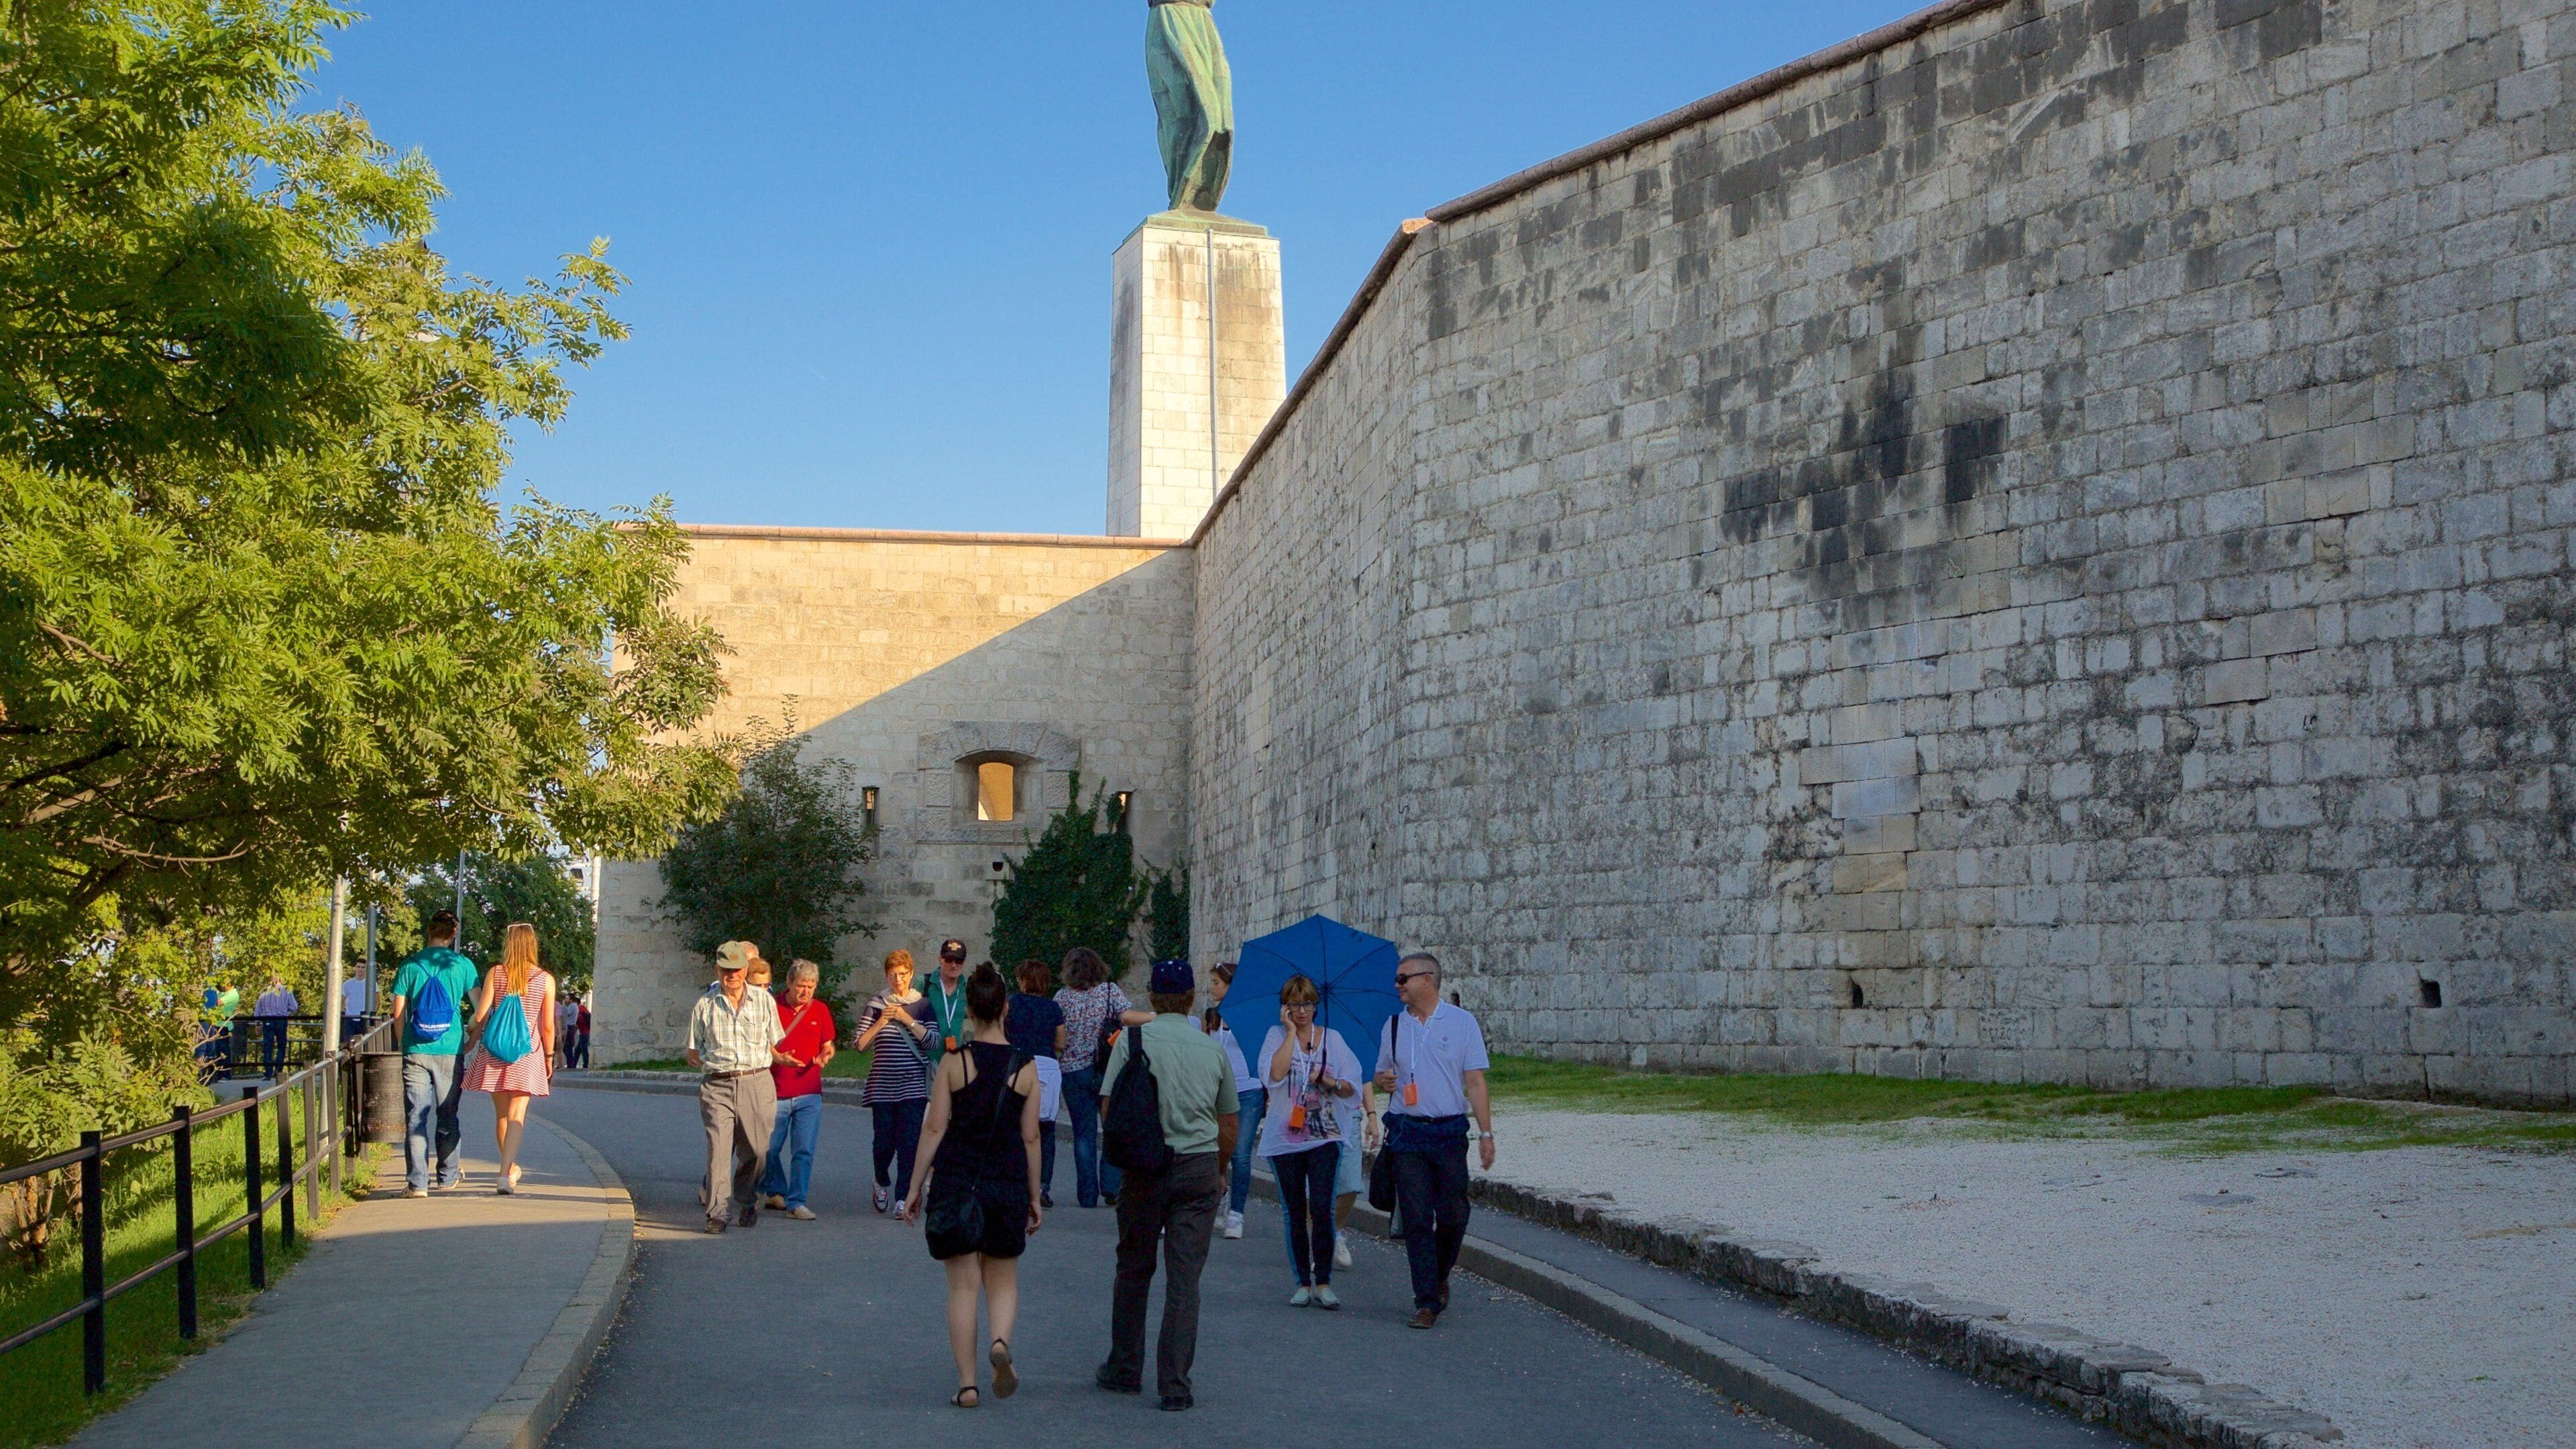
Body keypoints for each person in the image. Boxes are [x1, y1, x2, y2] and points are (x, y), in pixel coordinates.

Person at [1095, 959, 1237, 1412]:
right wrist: (1218, 1166)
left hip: (1145, 1166)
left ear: (1153, 997)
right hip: (1197, 1165)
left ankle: (1125, 1366)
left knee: (1134, 1267)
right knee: (1185, 1278)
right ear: (1191, 998)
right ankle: (1175, 1382)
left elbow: (1108, 1105)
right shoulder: (1211, 1048)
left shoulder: (1134, 1040)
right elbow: (1229, 1118)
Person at [900, 965, 1044, 1409]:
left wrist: (914, 1186)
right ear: (1005, 1008)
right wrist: (1035, 1195)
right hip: (1006, 1184)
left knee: (962, 1287)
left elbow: (934, 1128)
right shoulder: (1026, 1067)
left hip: (958, 1182)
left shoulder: (954, 1062)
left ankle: (967, 1384)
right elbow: (1031, 1136)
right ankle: (1000, 1340)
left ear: (972, 1011)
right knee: (1002, 1280)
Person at [1371, 951, 1494, 1328]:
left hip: (1449, 1130)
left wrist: (1487, 1134)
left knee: (1455, 1215)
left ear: (1427, 979)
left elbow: (1475, 1082)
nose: (1397, 985)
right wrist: (1384, 1081)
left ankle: (1440, 1274)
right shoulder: (1393, 1026)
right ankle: (1426, 1301)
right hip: (1407, 1132)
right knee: (1418, 1219)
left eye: (1402, 978)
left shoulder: (1461, 1023)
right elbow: (1380, 1074)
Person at [1254, 973, 1361, 1307]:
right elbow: (1274, 1075)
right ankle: (1302, 1280)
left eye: (1307, 1004)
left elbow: (1350, 1087)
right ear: (1284, 1008)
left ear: (1317, 1006)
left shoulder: (1333, 1039)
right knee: (1295, 1211)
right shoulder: (1276, 1036)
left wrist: (1327, 1080)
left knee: (1322, 1207)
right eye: (1294, 1005)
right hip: (1286, 1137)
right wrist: (1289, 1034)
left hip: (1324, 1136)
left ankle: (1324, 1280)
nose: (1302, 1012)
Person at [686, 939, 784, 1233]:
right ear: (717, 970)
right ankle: (717, 1213)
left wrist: (785, 1059)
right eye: (725, 970)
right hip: (718, 1085)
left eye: (737, 969)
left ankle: (747, 1197)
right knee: (719, 1149)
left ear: (746, 969)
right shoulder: (704, 1005)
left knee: (757, 1150)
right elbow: (692, 1051)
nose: (732, 976)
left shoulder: (764, 1000)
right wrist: (704, 1060)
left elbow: (774, 1040)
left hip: (757, 1080)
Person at [460, 922, 556, 1195]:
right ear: (532, 945)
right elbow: (547, 1026)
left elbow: (480, 1014)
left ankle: (509, 1169)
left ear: (509, 944)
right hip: (527, 1053)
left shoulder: (496, 974)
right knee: (517, 1115)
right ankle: (505, 1173)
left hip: (495, 1052)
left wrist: (471, 1035)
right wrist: (549, 1057)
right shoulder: (544, 980)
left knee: (502, 1114)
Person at [389, 913, 479, 1196]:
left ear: (428, 932)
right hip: (451, 1048)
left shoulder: (409, 965)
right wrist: (471, 1039)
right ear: (453, 934)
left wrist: (404, 1045)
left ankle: (417, 1183)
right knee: (448, 1114)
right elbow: (481, 1009)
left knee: (416, 1117)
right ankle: (448, 1175)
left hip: (416, 1048)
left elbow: (398, 1014)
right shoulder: (463, 965)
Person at [1054, 947, 1150, 1208]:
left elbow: (1056, 1035)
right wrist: (1156, 1017)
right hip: (1106, 1068)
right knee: (1111, 1129)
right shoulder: (1108, 991)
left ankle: (1086, 1195)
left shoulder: (1061, 997)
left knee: (1083, 1134)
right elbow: (1127, 1017)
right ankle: (1111, 1187)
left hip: (1072, 1072)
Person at [851, 949, 931, 1214]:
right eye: (893, 974)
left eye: (903, 974)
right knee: (884, 1143)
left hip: (914, 1086)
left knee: (910, 1143)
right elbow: (860, 1044)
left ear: (911, 974)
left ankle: (903, 1198)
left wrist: (907, 1019)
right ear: (886, 975)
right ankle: (880, 1180)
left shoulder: (923, 1005)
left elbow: (933, 1041)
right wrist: (882, 1021)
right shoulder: (876, 1004)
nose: (898, 979)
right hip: (883, 1085)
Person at [757, 960, 837, 1220]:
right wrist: (778, 1058)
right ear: (789, 983)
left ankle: (796, 1201)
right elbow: (759, 1044)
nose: (806, 992)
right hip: (776, 1091)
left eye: (811, 987)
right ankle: (776, 1189)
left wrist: (826, 1053)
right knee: (768, 1149)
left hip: (809, 1092)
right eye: (801, 986)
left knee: (803, 1150)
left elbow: (828, 1044)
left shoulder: (820, 1010)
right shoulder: (771, 1007)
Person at [1202, 963, 1260, 1239]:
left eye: (1216, 982)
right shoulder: (1211, 1015)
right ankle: (1220, 1192)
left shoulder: (1251, 1016)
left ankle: (1237, 1214)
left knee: (1240, 1153)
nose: (1211, 987)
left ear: (1230, 986)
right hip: (1217, 1091)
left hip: (1248, 1089)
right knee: (1216, 1151)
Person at [1004, 959, 1066, 1207]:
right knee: (1045, 1128)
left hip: (1018, 1063)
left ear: (1024, 981)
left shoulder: (1012, 1003)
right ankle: (1042, 1186)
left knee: (1016, 1125)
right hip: (1047, 1066)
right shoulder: (1053, 1008)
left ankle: (1016, 1180)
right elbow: (1061, 1043)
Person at [253, 975, 297, 1078]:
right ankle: (279, 1070)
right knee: (281, 1045)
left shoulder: (264, 992)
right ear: (280, 979)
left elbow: (257, 1010)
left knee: (268, 1046)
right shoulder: (287, 990)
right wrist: (286, 1009)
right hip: (282, 1020)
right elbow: (294, 1007)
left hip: (268, 1020)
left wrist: (258, 1023)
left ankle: (268, 1071)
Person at [339, 971, 370, 1049]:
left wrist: (372, 1015)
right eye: (359, 967)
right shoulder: (348, 984)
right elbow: (341, 1001)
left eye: (363, 968)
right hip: (350, 1019)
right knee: (347, 1044)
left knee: (365, 1045)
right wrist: (344, 1015)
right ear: (356, 968)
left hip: (365, 1019)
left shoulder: (371, 983)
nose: (360, 969)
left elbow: (377, 1001)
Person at [570, 996, 592, 1069]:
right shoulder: (584, 1009)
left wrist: (576, 1023)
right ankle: (574, 1065)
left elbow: (580, 1020)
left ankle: (586, 1065)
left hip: (583, 1032)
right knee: (578, 1050)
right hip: (585, 1031)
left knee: (584, 1049)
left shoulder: (579, 1010)